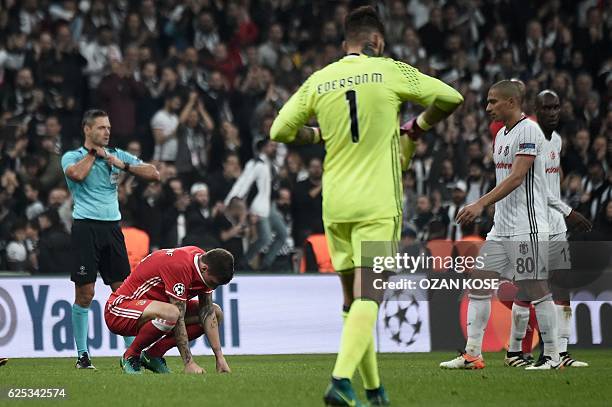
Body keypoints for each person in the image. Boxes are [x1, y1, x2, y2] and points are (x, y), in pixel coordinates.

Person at [270, 6, 463, 405]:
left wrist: (318, 134)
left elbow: (280, 129)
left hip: (336, 205)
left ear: (346, 45)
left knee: (351, 302)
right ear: (376, 43)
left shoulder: (320, 79)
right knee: (370, 298)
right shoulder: (389, 70)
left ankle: (374, 391)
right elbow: (451, 97)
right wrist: (419, 125)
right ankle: (341, 381)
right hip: (377, 203)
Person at [439, 80, 576, 371]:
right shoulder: (501, 134)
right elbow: (505, 180)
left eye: (493, 101)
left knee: (535, 287)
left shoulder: (529, 131)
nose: (488, 107)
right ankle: (473, 354)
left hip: (527, 226)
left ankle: (552, 357)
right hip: (502, 226)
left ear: (511, 103)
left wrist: (480, 203)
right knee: (479, 282)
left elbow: (516, 178)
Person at [61, 109, 160, 369]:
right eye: (101, 128)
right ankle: (83, 356)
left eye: (108, 127)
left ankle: (132, 353)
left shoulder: (117, 154)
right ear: (87, 129)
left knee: (124, 292)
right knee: (86, 292)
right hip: (85, 228)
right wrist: (96, 154)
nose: (107, 132)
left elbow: (153, 173)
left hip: (112, 230)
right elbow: (76, 175)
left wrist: (123, 164)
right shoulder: (73, 156)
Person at [524, 90, 590, 367]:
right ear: (536, 110)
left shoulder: (558, 141)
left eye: (556, 107)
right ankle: (546, 352)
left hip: (557, 226)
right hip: (537, 223)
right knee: (540, 291)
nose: (553, 112)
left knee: (563, 288)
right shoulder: (530, 141)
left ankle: (561, 353)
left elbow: (553, 180)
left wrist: (563, 213)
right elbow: (539, 190)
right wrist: (569, 211)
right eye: (547, 107)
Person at [104, 246, 234, 374]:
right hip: (119, 310)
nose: (213, 287)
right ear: (204, 269)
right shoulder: (180, 266)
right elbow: (179, 317)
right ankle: (131, 355)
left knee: (216, 313)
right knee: (172, 313)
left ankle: (153, 355)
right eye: (213, 283)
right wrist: (189, 363)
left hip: (153, 311)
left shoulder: (202, 261)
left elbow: (207, 311)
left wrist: (220, 358)